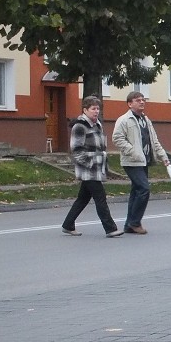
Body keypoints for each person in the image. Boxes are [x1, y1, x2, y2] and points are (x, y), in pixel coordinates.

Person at [61, 96, 124, 238]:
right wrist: (90, 163)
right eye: (93, 109)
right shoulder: (79, 126)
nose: (96, 111)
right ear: (85, 110)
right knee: (100, 197)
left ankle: (67, 225)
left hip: (97, 168)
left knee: (83, 198)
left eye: (98, 108)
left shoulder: (97, 124)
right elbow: (76, 150)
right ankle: (110, 228)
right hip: (88, 170)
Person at [112, 91, 170, 234]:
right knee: (144, 189)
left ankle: (129, 225)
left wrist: (163, 156)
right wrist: (132, 151)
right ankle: (135, 222)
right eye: (138, 100)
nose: (142, 102)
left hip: (144, 160)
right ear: (130, 104)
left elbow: (154, 140)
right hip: (131, 161)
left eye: (143, 99)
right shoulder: (124, 119)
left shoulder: (145, 120)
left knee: (136, 191)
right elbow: (117, 138)